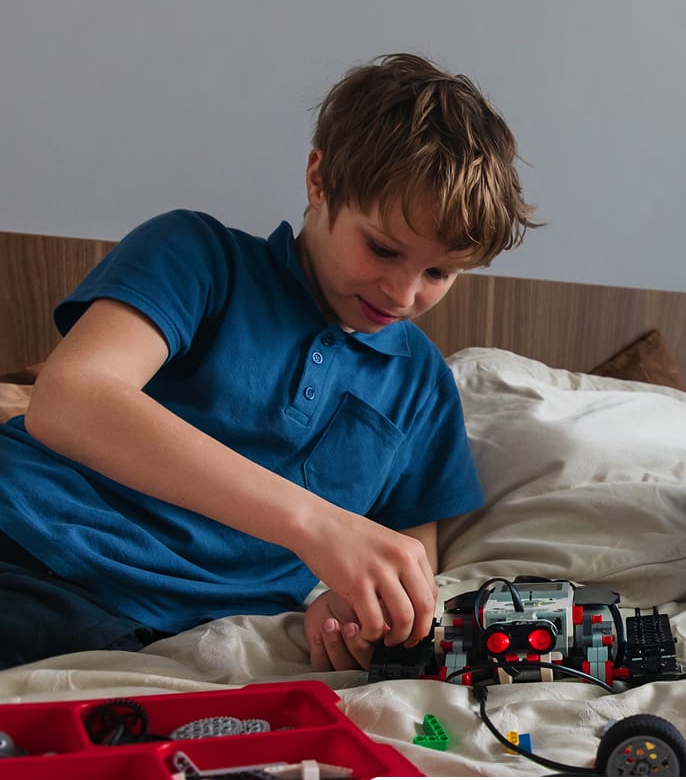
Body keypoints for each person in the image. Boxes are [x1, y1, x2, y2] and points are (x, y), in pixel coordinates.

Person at [0, 53, 536, 672]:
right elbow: (69, 400)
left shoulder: (420, 382)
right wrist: (315, 525)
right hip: (31, 541)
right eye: (382, 248)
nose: (403, 292)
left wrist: (355, 604)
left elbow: (407, 552)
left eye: (439, 272)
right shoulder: (198, 257)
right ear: (320, 180)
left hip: (176, 632)